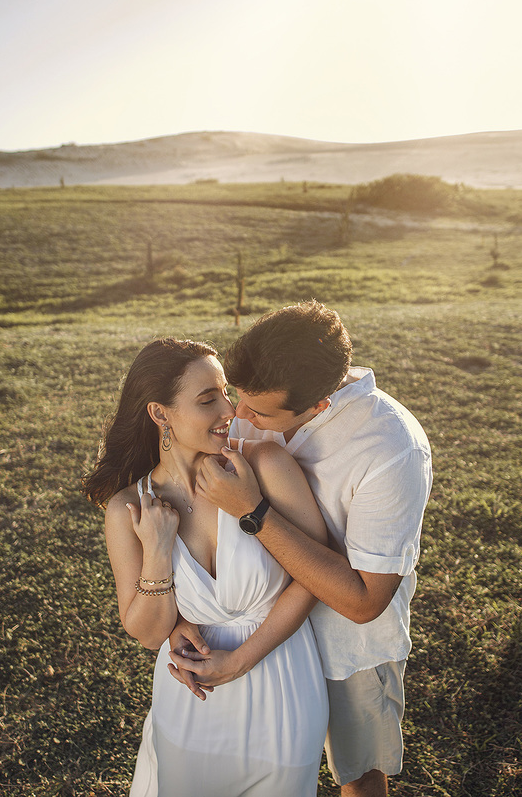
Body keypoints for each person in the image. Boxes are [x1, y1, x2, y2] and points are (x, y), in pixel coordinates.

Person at [172, 301, 433, 797]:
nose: (237, 416)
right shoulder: (248, 403)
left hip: (346, 649)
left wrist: (254, 512)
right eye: (234, 397)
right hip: (247, 625)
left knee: (357, 775)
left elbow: (363, 602)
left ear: (319, 407)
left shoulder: (391, 447)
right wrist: (181, 614)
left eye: (258, 411)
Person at [80, 337, 330, 797]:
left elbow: (315, 577)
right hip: (192, 699)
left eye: (225, 393)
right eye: (207, 399)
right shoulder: (128, 509)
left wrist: (240, 661)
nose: (230, 411)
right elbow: (149, 633)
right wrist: (157, 551)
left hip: (281, 686)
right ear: (160, 414)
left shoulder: (266, 466)